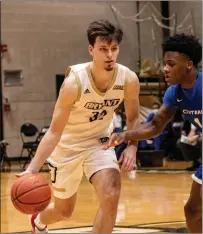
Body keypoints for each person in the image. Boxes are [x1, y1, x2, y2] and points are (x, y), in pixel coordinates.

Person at [18, 20, 140, 233]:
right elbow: (55, 131)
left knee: (111, 195)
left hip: (99, 142)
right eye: (103, 49)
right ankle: (39, 222)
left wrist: (132, 146)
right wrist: (32, 169)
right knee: (64, 211)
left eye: (114, 49)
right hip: (67, 147)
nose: (110, 55)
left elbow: (134, 118)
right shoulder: (74, 83)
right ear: (91, 50)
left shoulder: (128, 79)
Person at [103, 34, 202, 233]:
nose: (165, 69)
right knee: (192, 210)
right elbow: (155, 126)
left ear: (189, 64)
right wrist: (125, 135)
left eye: (171, 64)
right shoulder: (175, 92)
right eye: (165, 63)